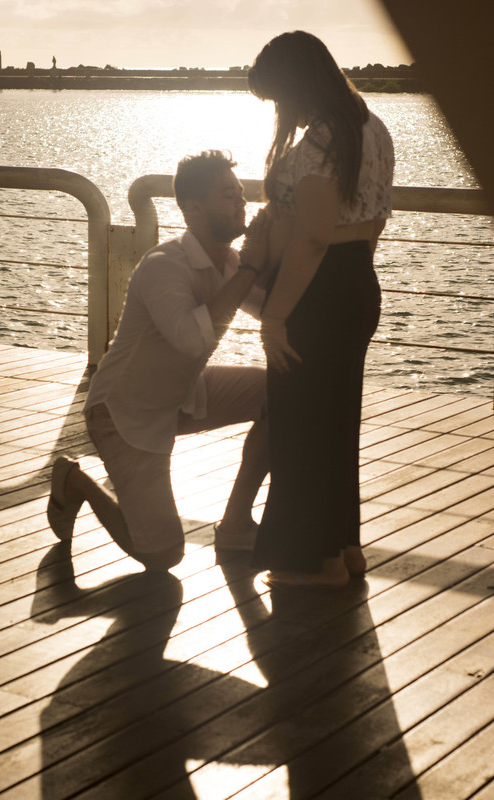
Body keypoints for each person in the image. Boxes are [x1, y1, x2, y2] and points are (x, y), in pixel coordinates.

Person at [47, 150, 270, 571]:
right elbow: (190, 340)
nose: (242, 203)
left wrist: (277, 249)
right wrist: (248, 270)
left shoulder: (231, 262)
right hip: (123, 414)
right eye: (229, 195)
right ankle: (73, 480)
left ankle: (237, 523)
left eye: (241, 194)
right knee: (162, 553)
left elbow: (272, 309)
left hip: (182, 395)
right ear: (193, 208)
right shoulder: (164, 266)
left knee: (281, 392)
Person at [249, 31, 395, 587]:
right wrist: (354, 275)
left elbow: (309, 240)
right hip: (357, 279)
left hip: (318, 286)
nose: (279, 108)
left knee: (301, 424)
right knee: (336, 421)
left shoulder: (321, 141)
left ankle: (312, 562)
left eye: (277, 95)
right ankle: (342, 547)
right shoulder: (371, 128)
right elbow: (374, 219)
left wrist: (276, 316)